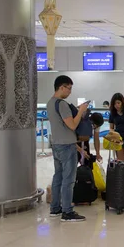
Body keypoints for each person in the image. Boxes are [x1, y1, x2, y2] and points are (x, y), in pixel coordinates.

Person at [46, 75, 87, 222]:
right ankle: (67, 212)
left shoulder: (50, 103)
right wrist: (81, 110)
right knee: (68, 180)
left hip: (56, 144)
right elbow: (72, 125)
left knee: (58, 177)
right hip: (66, 146)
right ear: (61, 87)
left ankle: (55, 208)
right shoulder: (62, 104)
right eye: (69, 88)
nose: (70, 91)